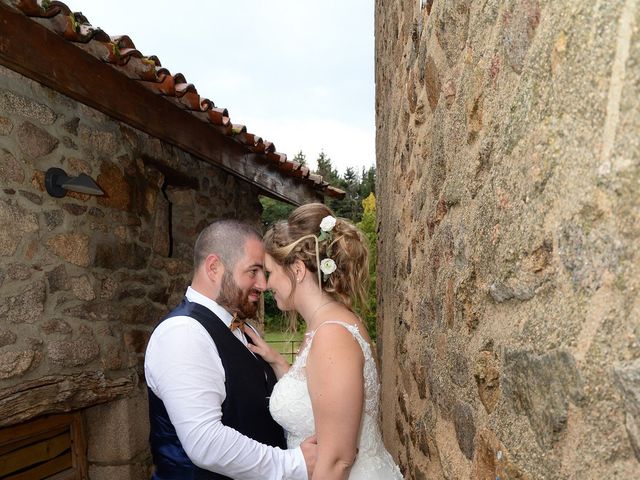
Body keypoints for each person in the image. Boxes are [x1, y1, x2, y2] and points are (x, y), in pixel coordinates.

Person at [144, 219, 316, 480]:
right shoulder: (182, 333)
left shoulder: (244, 329)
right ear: (214, 267)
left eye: (264, 273)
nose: (263, 284)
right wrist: (295, 464)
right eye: (253, 271)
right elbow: (207, 443)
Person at [244, 203, 403, 480]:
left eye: (270, 272)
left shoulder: (332, 337)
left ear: (296, 269)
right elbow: (315, 393)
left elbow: (338, 459)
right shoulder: (323, 325)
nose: (267, 285)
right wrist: (279, 362)